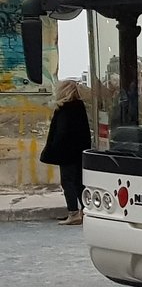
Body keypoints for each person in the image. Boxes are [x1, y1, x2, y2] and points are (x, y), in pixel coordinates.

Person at [40, 80, 92, 226]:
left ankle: (73, 213)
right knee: (79, 182)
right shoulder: (80, 107)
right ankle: (85, 210)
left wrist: (54, 147)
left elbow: (61, 132)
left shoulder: (64, 108)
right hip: (79, 151)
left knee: (67, 182)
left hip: (66, 152)